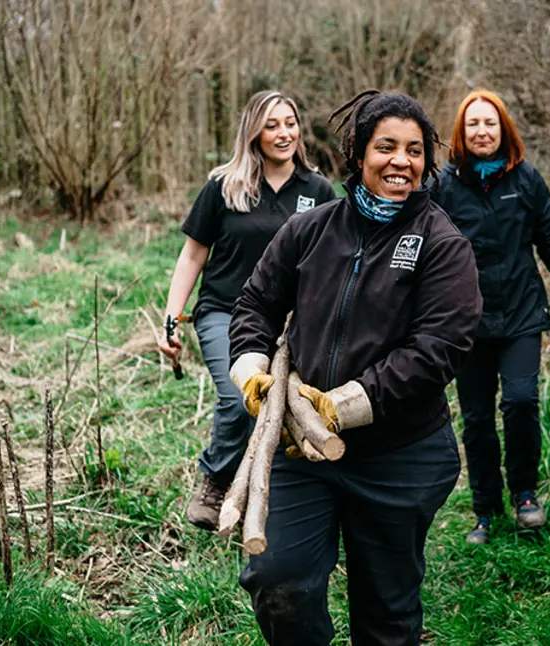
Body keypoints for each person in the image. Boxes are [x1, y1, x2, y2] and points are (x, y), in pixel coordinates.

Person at [228, 90, 482, 646]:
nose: (401, 161)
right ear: (358, 153)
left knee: (386, 615)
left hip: (400, 454)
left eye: (414, 151)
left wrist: (342, 405)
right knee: (278, 583)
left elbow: (439, 346)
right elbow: (255, 305)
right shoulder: (311, 229)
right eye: (386, 146)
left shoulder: (443, 244)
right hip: (302, 446)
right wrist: (252, 373)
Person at [158, 90, 336, 531]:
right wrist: (171, 317)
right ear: (254, 132)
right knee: (242, 399)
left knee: (294, 409)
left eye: (290, 123)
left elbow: (331, 263)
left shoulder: (318, 191)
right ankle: (216, 479)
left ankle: (278, 498)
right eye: (272, 125)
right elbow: (192, 257)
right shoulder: (225, 186)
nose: (283, 133)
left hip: (292, 321)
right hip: (225, 312)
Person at [431, 89, 550, 544]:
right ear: (462, 131)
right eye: (473, 123)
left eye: (490, 123)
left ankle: (525, 495)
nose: (482, 131)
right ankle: (484, 509)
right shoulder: (443, 186)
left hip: (520, 313)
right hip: (467, 321)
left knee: (520, 402)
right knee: (476, 419)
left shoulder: (527, 180)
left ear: (503, 130)